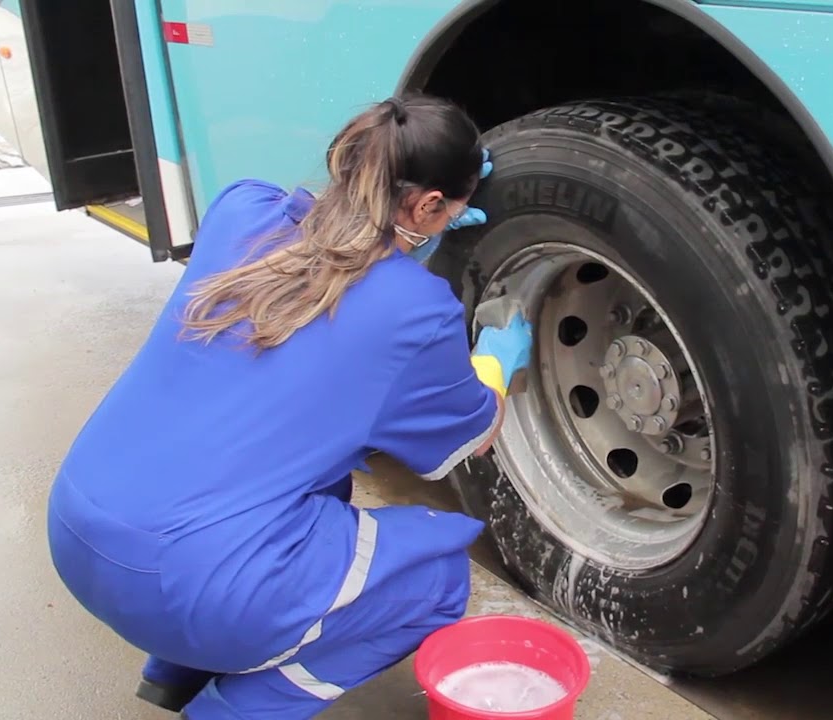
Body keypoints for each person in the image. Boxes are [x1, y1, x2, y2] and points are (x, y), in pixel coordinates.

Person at [45, 93, 533, 719]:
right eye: (451, 207)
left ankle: (175, 670)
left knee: (312, 480)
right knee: (435, 583)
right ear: (429, 204)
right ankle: (232, 707)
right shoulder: (417, 311)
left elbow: (327, 312)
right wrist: (491, 364)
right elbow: (469, 441)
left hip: (79, 527)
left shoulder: (241, 207)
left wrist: (409, 240)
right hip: (194, 587)